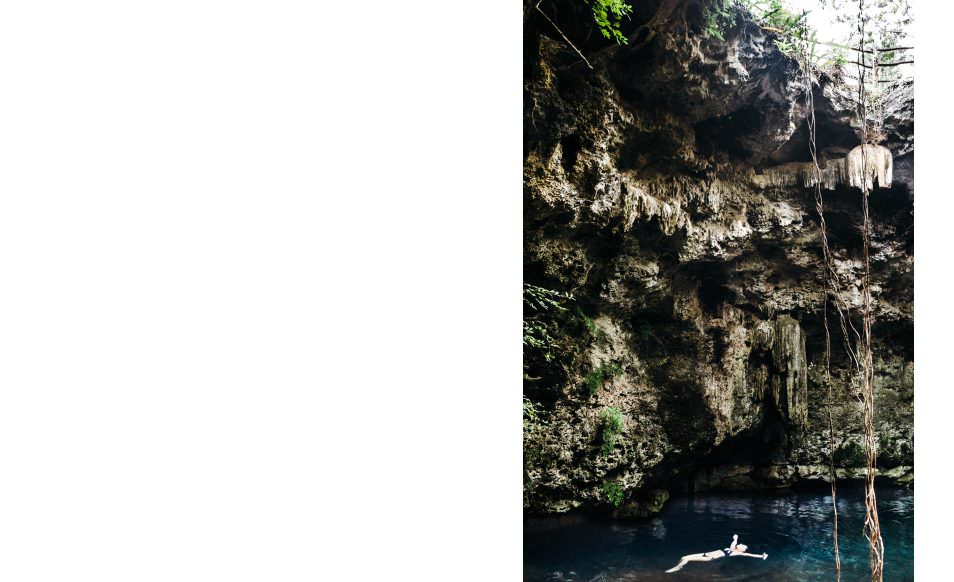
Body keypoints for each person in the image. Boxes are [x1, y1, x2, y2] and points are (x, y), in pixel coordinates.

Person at [665, 534, 768, 573]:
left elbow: (750, 555)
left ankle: (677, 567)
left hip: (710, 558)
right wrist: (736, 538)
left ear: (742, 550)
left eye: (743, 545)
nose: (741, 544)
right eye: (741, 543)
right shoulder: (732, 548)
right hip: (705, 553)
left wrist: (762, 556)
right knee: (684, 557)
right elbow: (734, 541)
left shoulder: (737, 553)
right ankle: (680, 565)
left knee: (687, 559)